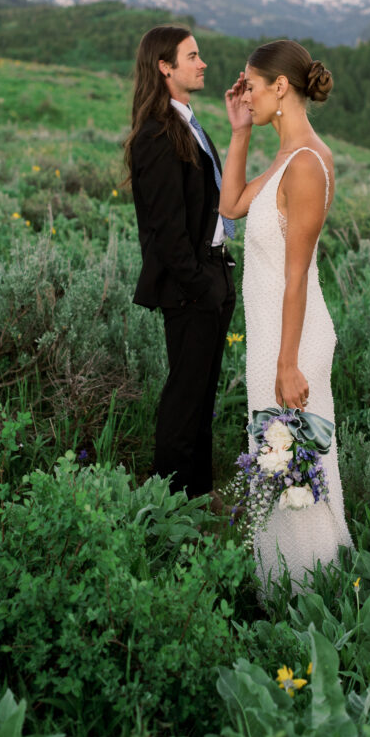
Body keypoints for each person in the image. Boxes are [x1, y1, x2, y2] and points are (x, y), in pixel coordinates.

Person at [221, 39, 352, 592]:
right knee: (275, 459)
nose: (245, 92)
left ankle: (310, 588)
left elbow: (297, 274)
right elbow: (229, 206)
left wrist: (287, 361)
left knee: (293, 464)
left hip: (291, 344)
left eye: (251, 84)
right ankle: (282, 584)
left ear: (281, 86)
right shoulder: (283, 155)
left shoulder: (306, 164)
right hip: (274, 337)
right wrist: (239, 129)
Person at [125, 25, 236, 506]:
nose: (203, 62)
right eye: (192, 56)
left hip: (213, 273)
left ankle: (198, 496)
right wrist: (199, 284)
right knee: (184, 398)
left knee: (202, 394)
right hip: (191, 285)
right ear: (164, 67)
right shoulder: (155, 135)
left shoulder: (188, 123)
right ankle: (168, 505)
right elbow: (167, 232)